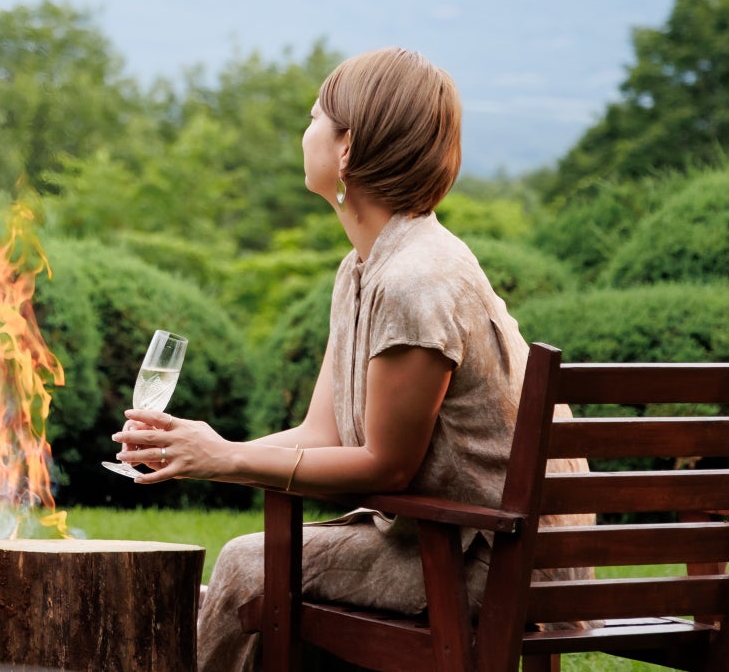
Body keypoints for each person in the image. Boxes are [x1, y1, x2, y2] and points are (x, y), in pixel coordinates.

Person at [106, 47, 589, 672]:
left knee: (243, 566)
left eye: (314, 116)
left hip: (494, 562)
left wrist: (225, 458)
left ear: (348, 149)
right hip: (459, 541)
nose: (302, 131)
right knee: (266, 576)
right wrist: (200, 453)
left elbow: (385, 466)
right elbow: (322, 434)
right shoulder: (364, 268)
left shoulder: (417, 279)